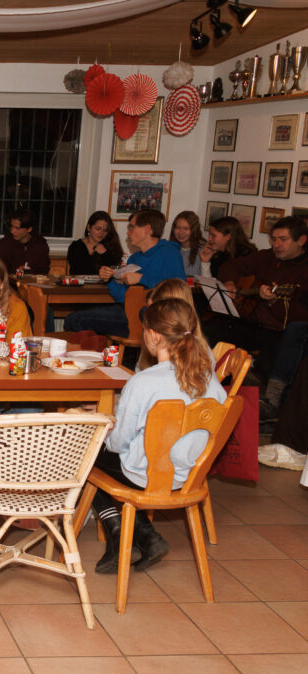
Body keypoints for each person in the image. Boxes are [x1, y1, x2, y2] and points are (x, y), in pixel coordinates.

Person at [92, 298, 226, 574]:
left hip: (145, 475)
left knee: (80, 451)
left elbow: (118, 444)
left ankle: (119, 531)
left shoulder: (143, 382)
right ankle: (144, 535)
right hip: (189, 476)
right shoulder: (210, 379)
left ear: (153, 335)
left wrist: (102, 427)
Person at [202, 217, 308, 421]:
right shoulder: (266, 257)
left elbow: (299, 317)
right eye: (274, 239)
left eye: (283, 239)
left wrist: (273, 303)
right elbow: (230, 267)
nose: (276, 245)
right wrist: (229, 282)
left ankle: (268, 402)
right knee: (210, 330)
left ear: (301, 240)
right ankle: (208, 386)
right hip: (254, 324)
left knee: (274, 355)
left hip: (282, 332)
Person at [64, 210, 185, 338]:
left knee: (75, 320)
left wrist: (142, 279)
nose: (128, 232)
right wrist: (109, 280)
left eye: (132, 227)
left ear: (147, 229)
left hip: (156, 318)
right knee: (73, 319)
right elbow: (125, 297)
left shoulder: (170, 253)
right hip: (130, 312)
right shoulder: (135, 258)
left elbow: (179, 289)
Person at [136, 278, 208, 371]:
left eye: (155, 312)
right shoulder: (154, 335)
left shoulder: (198, 351)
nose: (150, 319)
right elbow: (140, 369)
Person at [0, 209, 50, 275]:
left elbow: (43, 271)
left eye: (17, 228)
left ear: (29, 229)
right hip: (9, 280)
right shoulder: (4, 244)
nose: (12, 231)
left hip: (33, 280)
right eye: (11, 226)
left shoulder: (40, 245)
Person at [67, 210, 123, 276]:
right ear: (89, 228)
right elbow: (78, 271)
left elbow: (116, 270)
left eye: (105, 230)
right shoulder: (76, 246)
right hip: (80, 282)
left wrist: (105, 254)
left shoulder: (110, 245)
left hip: (103, 283)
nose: (101, 233)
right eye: (98, 229)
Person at [169, 210, 205, 280]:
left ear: (194, 230)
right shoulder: (169, 248)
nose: (181, 232)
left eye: (186, 228)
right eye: (178, 228)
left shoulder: (203, 250)